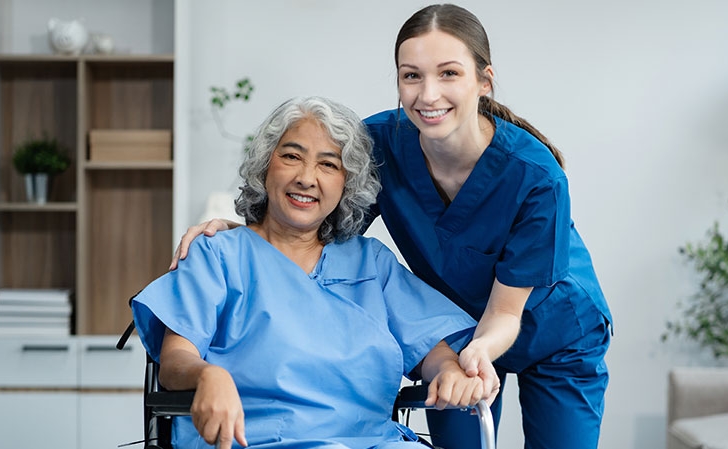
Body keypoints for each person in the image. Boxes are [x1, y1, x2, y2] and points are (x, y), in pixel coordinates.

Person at [172, 4, 613, 449]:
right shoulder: (381, 143)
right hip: (451, 336)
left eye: (449, 74)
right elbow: (314, 228)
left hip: (552, 329)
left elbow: (504, 313)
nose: (428, 94)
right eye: (412, 75)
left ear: (484, 80)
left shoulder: (535, 175)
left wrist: (476, 351)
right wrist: (242, 234)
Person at [133, 96, 498, 449]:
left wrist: (449, 369)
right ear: (265, 166)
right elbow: (176, 359)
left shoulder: (370, 262)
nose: (307, 178)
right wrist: (208, 375)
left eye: (328, 164)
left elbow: (430, 347)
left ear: (347, 184)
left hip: (372, 441)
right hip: (256, 439)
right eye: (292, 156)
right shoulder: (217, 254)